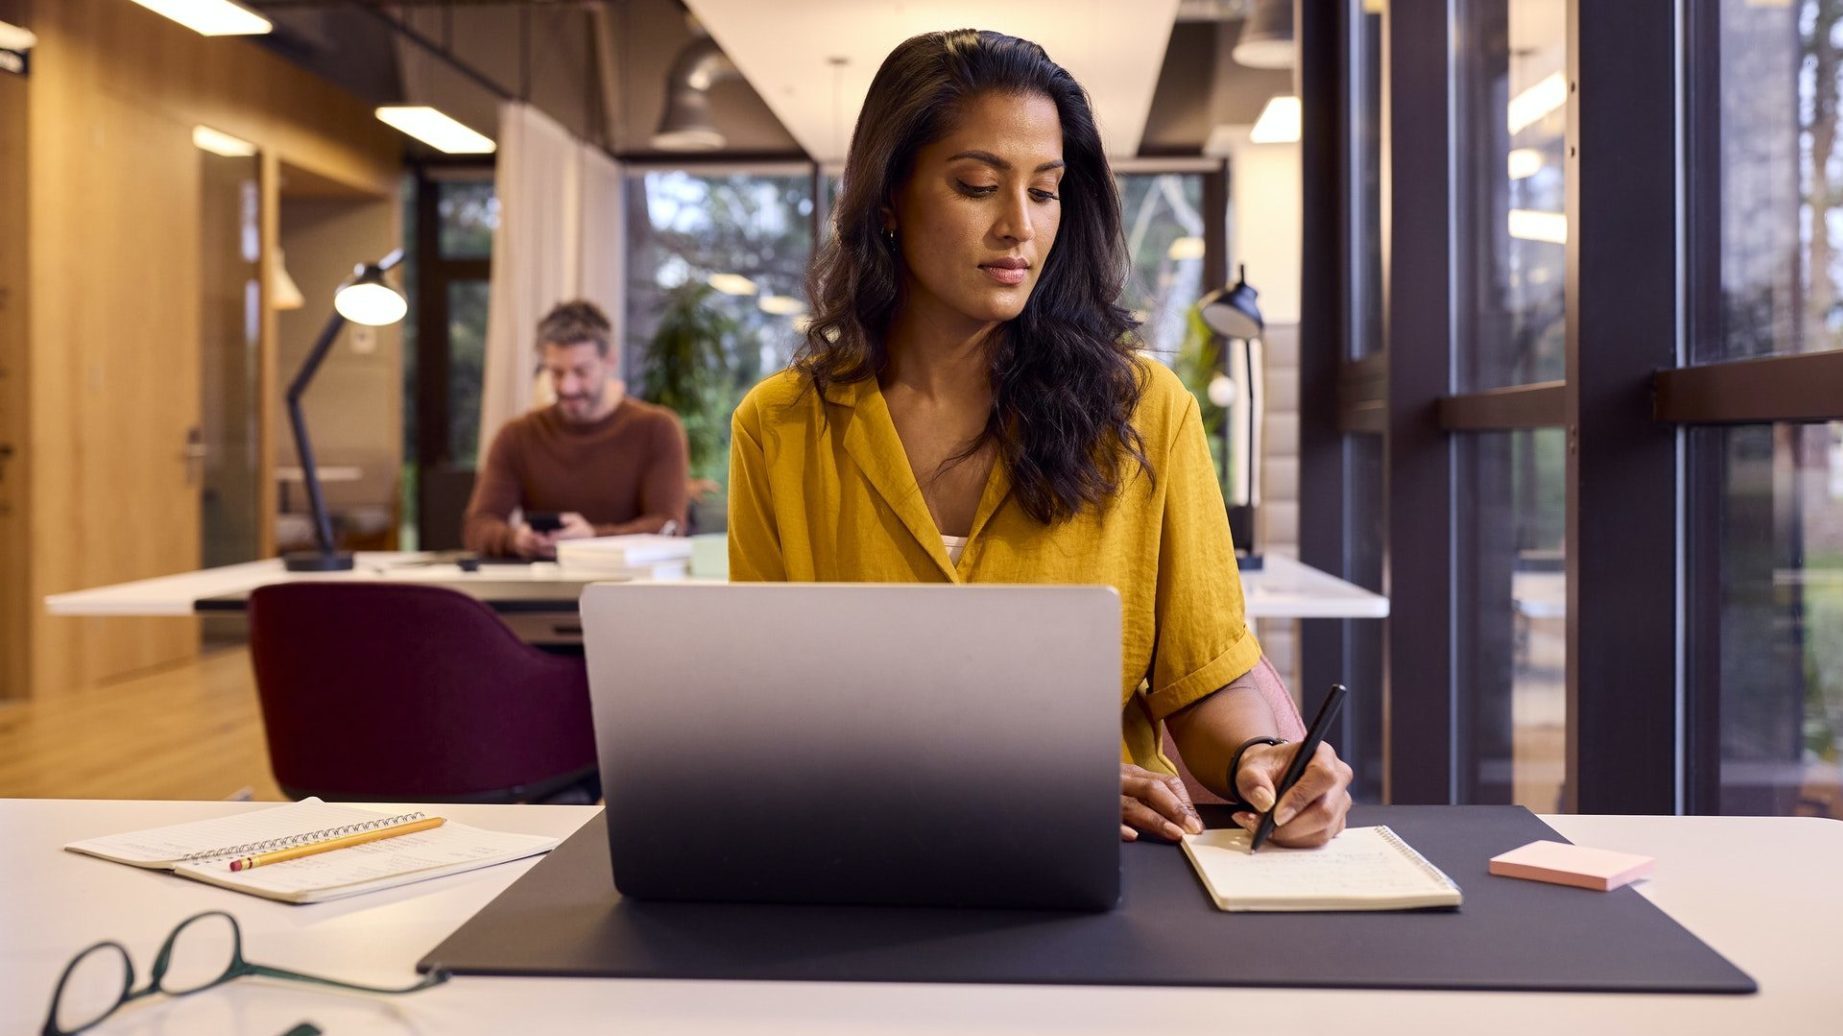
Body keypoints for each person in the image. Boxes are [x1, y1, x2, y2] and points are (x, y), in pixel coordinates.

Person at [728, 30, 1354, 846]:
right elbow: (764, 714)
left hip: (1102, 867)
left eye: (1045, 191)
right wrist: (1022, 786)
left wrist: (1261, 758)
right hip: (863, 861)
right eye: (977, 185)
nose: (1017, 226)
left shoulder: (1143, 409)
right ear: (888, 198)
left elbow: (1203, 682)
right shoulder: (779, 427)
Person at [465, 300, 689, 558]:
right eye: (556, 372)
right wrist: (515, 539)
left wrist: (593, 537)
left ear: (610, 360)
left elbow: (669, 526)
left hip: (628, 590)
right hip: (541, 590)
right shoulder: (517, 436)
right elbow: (478, 525)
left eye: (581, 372)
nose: (567, 387)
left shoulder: (657, 429)